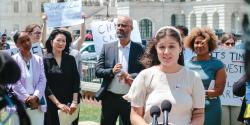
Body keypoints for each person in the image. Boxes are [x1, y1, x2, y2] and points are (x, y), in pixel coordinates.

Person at [124, 26, 205, 125]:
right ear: (156, 49)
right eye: (162, 47)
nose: (166, 52)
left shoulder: (193, 78)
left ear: (180, 48)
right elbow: (135, 114)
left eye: (171, 46)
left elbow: (199, 115)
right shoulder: (145, 76)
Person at [95, 16, 144, 125]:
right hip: (110, 98)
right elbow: (98, 71)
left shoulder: (139, 49)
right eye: (118, 25)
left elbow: (144, 73)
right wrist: (111, 71)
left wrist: (130, 76)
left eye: (124, 25)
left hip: (130, 98)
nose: (120, 28)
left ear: (131, 28)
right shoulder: (107, 47)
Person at [184, 27, 227, 125]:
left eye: (203, 43)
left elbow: (219, 91)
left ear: (210, 45)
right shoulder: (185, 64)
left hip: (210, 109)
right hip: (189, 109)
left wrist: (197, 93)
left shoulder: (217, 64)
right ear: (192, 44)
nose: (199, 45)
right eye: (197, 42)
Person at [43, 29, 80, 125]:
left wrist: (75, 101)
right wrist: (58, 104)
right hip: (52, 103)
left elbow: (76, 81)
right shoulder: (44, 60)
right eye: (58, 40)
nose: (61, 43)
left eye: (63, 41)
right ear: (51, 42)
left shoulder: (70, 59)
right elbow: (45, 85)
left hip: (71, 104)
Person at [9, 31, 47, 125]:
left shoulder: (38, 59)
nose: (26, 43)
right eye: (22, 41)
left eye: (28, 40)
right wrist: (28, 98)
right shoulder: (12, 61)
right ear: (17, 45)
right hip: (19, 105)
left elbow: (42, 80)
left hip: (37, 104)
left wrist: (36, 96)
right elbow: (15, 83)